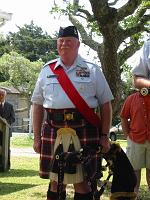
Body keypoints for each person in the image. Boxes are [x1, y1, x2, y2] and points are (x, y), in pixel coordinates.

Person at [31, 25, 113, 200]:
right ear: (56, 44)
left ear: (78, 44)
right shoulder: (47, 70)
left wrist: (104, 135)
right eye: (61, 41)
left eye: (69, 41)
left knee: (82, 181)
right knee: (55, 180)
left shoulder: (92, 70)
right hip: (53, 129)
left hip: (84, 128)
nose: (64, 44)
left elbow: (106, 105)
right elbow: (37, 105)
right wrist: (37, 137)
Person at [120, 90, 150, 199]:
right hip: (135, 140)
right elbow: (123, 117)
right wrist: (127, 135)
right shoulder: (131, 98)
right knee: (134, 171)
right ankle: (134, 196)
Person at [0, 88, 15, 169]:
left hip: (6, 132)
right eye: (0, 95)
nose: (1, 96)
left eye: (3, 95)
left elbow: (13, 118)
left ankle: (7, 166)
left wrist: (6, 121)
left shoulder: (10, 106)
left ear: (5, 96)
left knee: (6, 149)